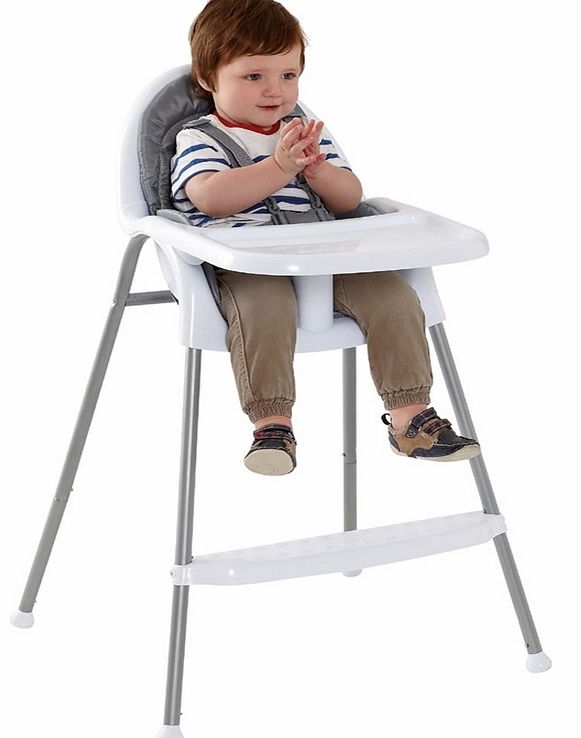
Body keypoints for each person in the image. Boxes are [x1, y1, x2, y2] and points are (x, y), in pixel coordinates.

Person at [171, 0, 480, 475]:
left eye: (288, 75)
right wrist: (279, 168)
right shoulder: (200, 138)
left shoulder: (304, 134)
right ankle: (272, 426)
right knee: (263, 310)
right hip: (250, 265)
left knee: (395, 297)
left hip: (325, 255)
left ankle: (411, 417)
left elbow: (350, 199)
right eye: (253, 76)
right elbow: (211, 198)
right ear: (208, 78)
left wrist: (319, 172)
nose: (274, 90)